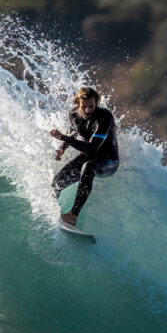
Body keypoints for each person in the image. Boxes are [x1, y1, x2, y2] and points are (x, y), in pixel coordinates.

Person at [50, 86, 119, 227]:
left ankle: (73, 215)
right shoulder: (74, 114)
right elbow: (75, 130)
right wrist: (63, 147)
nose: (88, 110)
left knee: (88, 167)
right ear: (77, 104)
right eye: (84, 106)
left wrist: (63, 138)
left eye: (91, 106)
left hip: (108, 161)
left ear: (97, 103)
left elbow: (92, 147)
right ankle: (52, 211)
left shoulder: (104, 117)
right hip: (89, 156)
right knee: (56, 183)